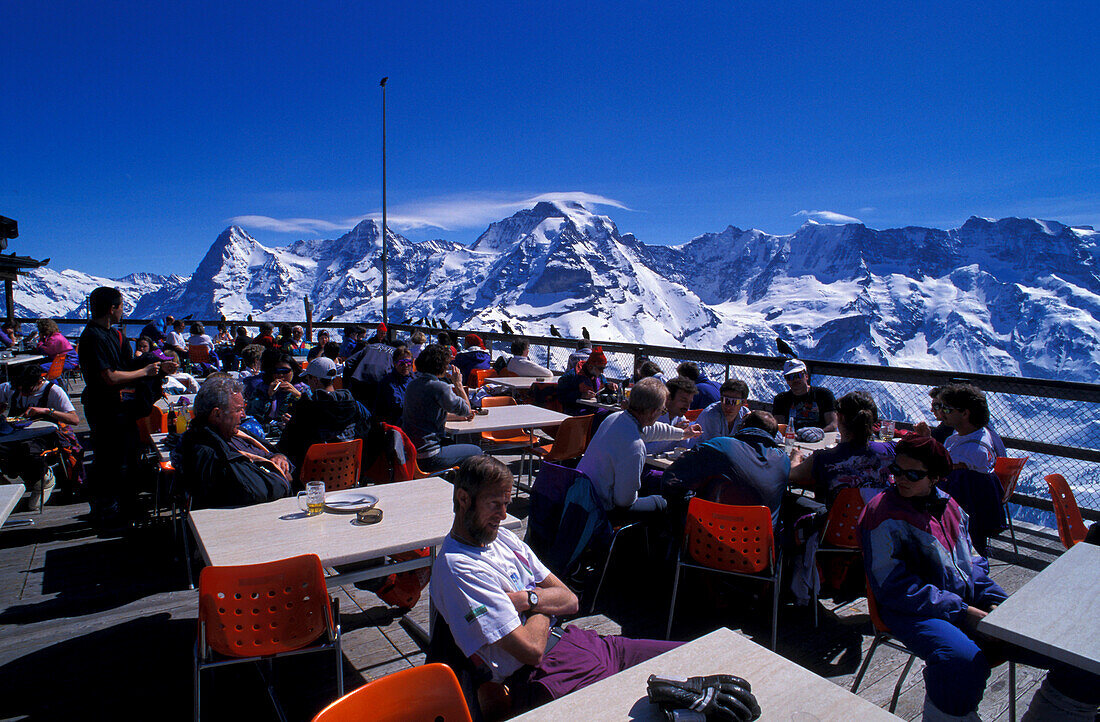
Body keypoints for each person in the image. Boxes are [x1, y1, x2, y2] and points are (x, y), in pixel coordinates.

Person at [861, 436, 1099, 721]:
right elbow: (893, 586)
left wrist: (997, 600)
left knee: (1068, 648)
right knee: (960, 662)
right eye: (897, 471)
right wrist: (964, 613)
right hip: (912, 609)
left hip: (963, 601)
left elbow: (973, 562)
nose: (901, 479)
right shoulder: (881, 513)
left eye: (913, 474)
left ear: (935, 477)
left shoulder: (949, 507)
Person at [430, 455, 681, 714]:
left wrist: (527, 600)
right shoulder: (458, 567)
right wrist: (542, 602)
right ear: (463, 499)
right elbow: (531, 650)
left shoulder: (503, 539)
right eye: (495, 504)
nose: (504, 515)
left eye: (506, 504)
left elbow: (570, 600)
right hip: (551, 674)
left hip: (590, 644)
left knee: (691, 659)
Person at [79, 286, 174, 526]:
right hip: (103, 406)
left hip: (120, 406)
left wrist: (158, 367)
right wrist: (144, 370)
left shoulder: (112, 334)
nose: (123, 311)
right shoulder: (93, 337)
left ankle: (123, 505)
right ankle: (107, 509)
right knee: (109, 459)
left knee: (126, 455)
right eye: (121, 306)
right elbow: (109, 377)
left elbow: (127, 364)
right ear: (112, 309)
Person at [576, 377, 700, 514]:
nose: (661, 413)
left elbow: (651, 430)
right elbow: (624, 501)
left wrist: (682, 433)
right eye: (662, 411)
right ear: (653, 412)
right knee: (664, 502)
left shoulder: (615, 418)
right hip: (600, 508)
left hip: (580, 494)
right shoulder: (635, 447)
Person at [178, 377, 293, 508]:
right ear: (217, 414)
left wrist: (279, 458)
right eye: (238, 410)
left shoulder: (238, 434)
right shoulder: (206, 451)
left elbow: (277, 457)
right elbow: (254, 491)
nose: (244, 415)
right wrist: (282, 476)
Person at [667, 411, 789, 527]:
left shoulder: (719, 446)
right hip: (757, 545)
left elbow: (671, 479)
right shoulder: (783, 460)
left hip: (707, 536)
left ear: (742, 426)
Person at [788, 390, 894, 509]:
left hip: (837, 524)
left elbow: (792, 474)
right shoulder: (890, 450)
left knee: (789, 499)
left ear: (841, 417)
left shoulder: (823, 458)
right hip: (880, 523)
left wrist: (795, 457)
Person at [0, 365, 81, 510]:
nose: (22, 393)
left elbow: (74, 419)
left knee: (27, 450)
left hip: (43, 435)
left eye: (27, 389)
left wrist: (47, 411)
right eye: (19, 389)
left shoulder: (53, 391)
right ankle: (9, 486)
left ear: (38, 381)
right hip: (15, 433)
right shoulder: (11, 388)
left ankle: (44, 478)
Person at [278, 357, 370, 476]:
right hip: (347, 472)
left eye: (308, 378)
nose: (307, 382)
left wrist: (292, 423)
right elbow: (366, 422)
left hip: (315, 475)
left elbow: (287, 443)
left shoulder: (306, 407)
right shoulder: (352, 403)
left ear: (315, 380)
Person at [401, 343, 481, 473]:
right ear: (441, 366)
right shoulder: (439, 387)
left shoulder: (412, 385)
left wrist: (459, 417)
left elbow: (428, 415)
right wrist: (459, 384)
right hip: (430, 456)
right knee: (477, 451)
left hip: (412, 453)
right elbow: (466, 408)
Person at [939, 384, 999, 474]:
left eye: (947, 409)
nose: (941, 412)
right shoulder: (979, 433)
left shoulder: (967, 453)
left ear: (965, 414)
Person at [244, 351, 307, 429]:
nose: (280, 375)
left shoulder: (303, 389)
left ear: (293, 371)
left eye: (285, 371)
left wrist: (299, 396)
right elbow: (252, 415)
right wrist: (268, 396)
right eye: (276, 371)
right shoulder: (261, 389)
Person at [771, 359, 838, 432]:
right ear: (786, 380)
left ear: (806, 376)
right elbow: (779, 426)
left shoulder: (824, 395)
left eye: (798, 375)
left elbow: (833, 424)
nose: (795, 380)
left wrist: (819, 433)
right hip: (792, 439)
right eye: (790, 377)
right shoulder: (781, 399)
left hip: (820, 440)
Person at [645, 376, 697, 455]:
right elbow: (645, 449)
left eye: (689, 402)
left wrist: (689, 435)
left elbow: (683, 447)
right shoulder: (652, 417)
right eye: (683, 401)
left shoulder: (680, 419)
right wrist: (674, 434)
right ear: (668, 398)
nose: (687, 406)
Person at [557, 347, 617, 415]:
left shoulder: (599, 376)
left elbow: (603, 387)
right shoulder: (572, 376)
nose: (602, 371)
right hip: (580, 412)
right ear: (590, 367)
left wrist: (609, 387)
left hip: (597, 410)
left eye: (603, 368)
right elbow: (561, 396)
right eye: (600, 369)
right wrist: (580, 395)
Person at [343, 329, 395, 403]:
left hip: (360, 379)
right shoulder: (396, 352)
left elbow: (348, 362)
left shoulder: (370, 346)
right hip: (381, 382)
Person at [374, 347, 415, 426]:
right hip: (395, 423)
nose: (406, 365)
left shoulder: (413, 379)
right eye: (402, 363)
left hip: (410, 419)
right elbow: (397, 405)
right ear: (394, 363)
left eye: (409, 362)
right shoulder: (388, 382)